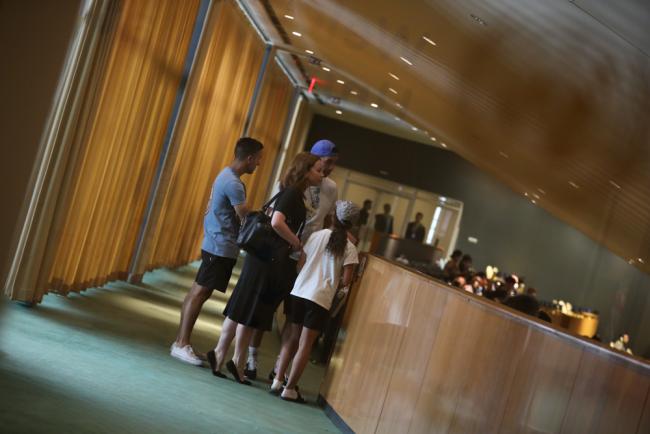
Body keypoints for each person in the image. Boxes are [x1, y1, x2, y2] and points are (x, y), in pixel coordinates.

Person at [206, 152, 323, 383]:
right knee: (251, 310)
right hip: (267, 259)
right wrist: (296, 242)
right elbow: (277, 221)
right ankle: (237, 362)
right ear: (306, 170)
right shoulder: (292, 194)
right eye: (318, 169)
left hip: (259, 257)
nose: (322, 175)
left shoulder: (289, 192)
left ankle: (220, 353)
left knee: (240, 305)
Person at [245, 139, 339, 380]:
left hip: (307, 257)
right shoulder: (289, 184)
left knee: (294, 314)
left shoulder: (331, 188)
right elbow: (273, 215)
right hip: (282, 252)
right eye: (324, 163)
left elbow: (328, 220)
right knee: (266, 307)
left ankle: (280, 368)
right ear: (311, 160)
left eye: (331, 164)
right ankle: (251, 358)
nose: (327, 169)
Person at [170, 137, 263, 365]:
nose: (259, 164)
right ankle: (182, 344)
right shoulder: (234, 183)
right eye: (258, 159)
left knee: (197, 292)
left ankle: (181, 342)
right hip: (219, 245)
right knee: (200, 293)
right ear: (249, 158)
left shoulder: (226, 175)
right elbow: (244, 216)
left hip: (215, 243)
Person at [271, 200, 360, 403]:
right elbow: (346, 282)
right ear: (352, 224)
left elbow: (301, 263)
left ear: (334, 216)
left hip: (299, 292)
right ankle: (290, 388)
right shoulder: (350, 248)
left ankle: (277, 380)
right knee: (305, 345)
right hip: (319, 299)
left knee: (292, 339)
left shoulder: (317, 235)